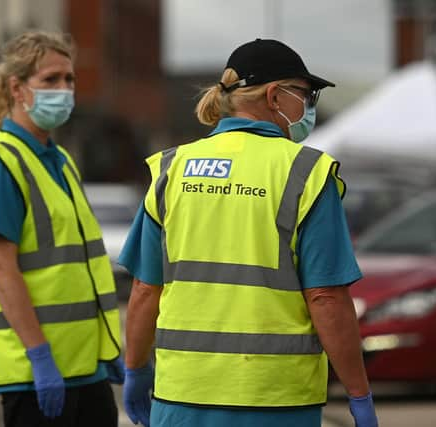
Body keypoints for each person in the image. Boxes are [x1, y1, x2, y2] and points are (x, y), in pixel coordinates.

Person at [119, 38, 379, 427]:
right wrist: (359, 394)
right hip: (273, 399)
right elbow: (326, 297)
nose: (309, 108)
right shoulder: (305, 173)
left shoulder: (172, 169)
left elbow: (144, 290)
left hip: (182, 397)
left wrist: (136, 370)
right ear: (275, 96)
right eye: (306, 95)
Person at [0, 30, 125, 427]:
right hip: (37, 375)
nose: (64, 89)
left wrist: (108, 349)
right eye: (50, 80)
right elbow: (0, 267)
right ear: (17, 88)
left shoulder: (60, 161)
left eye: (69, 79)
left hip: (85, 370)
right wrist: (39, 356)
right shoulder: (4, 166)